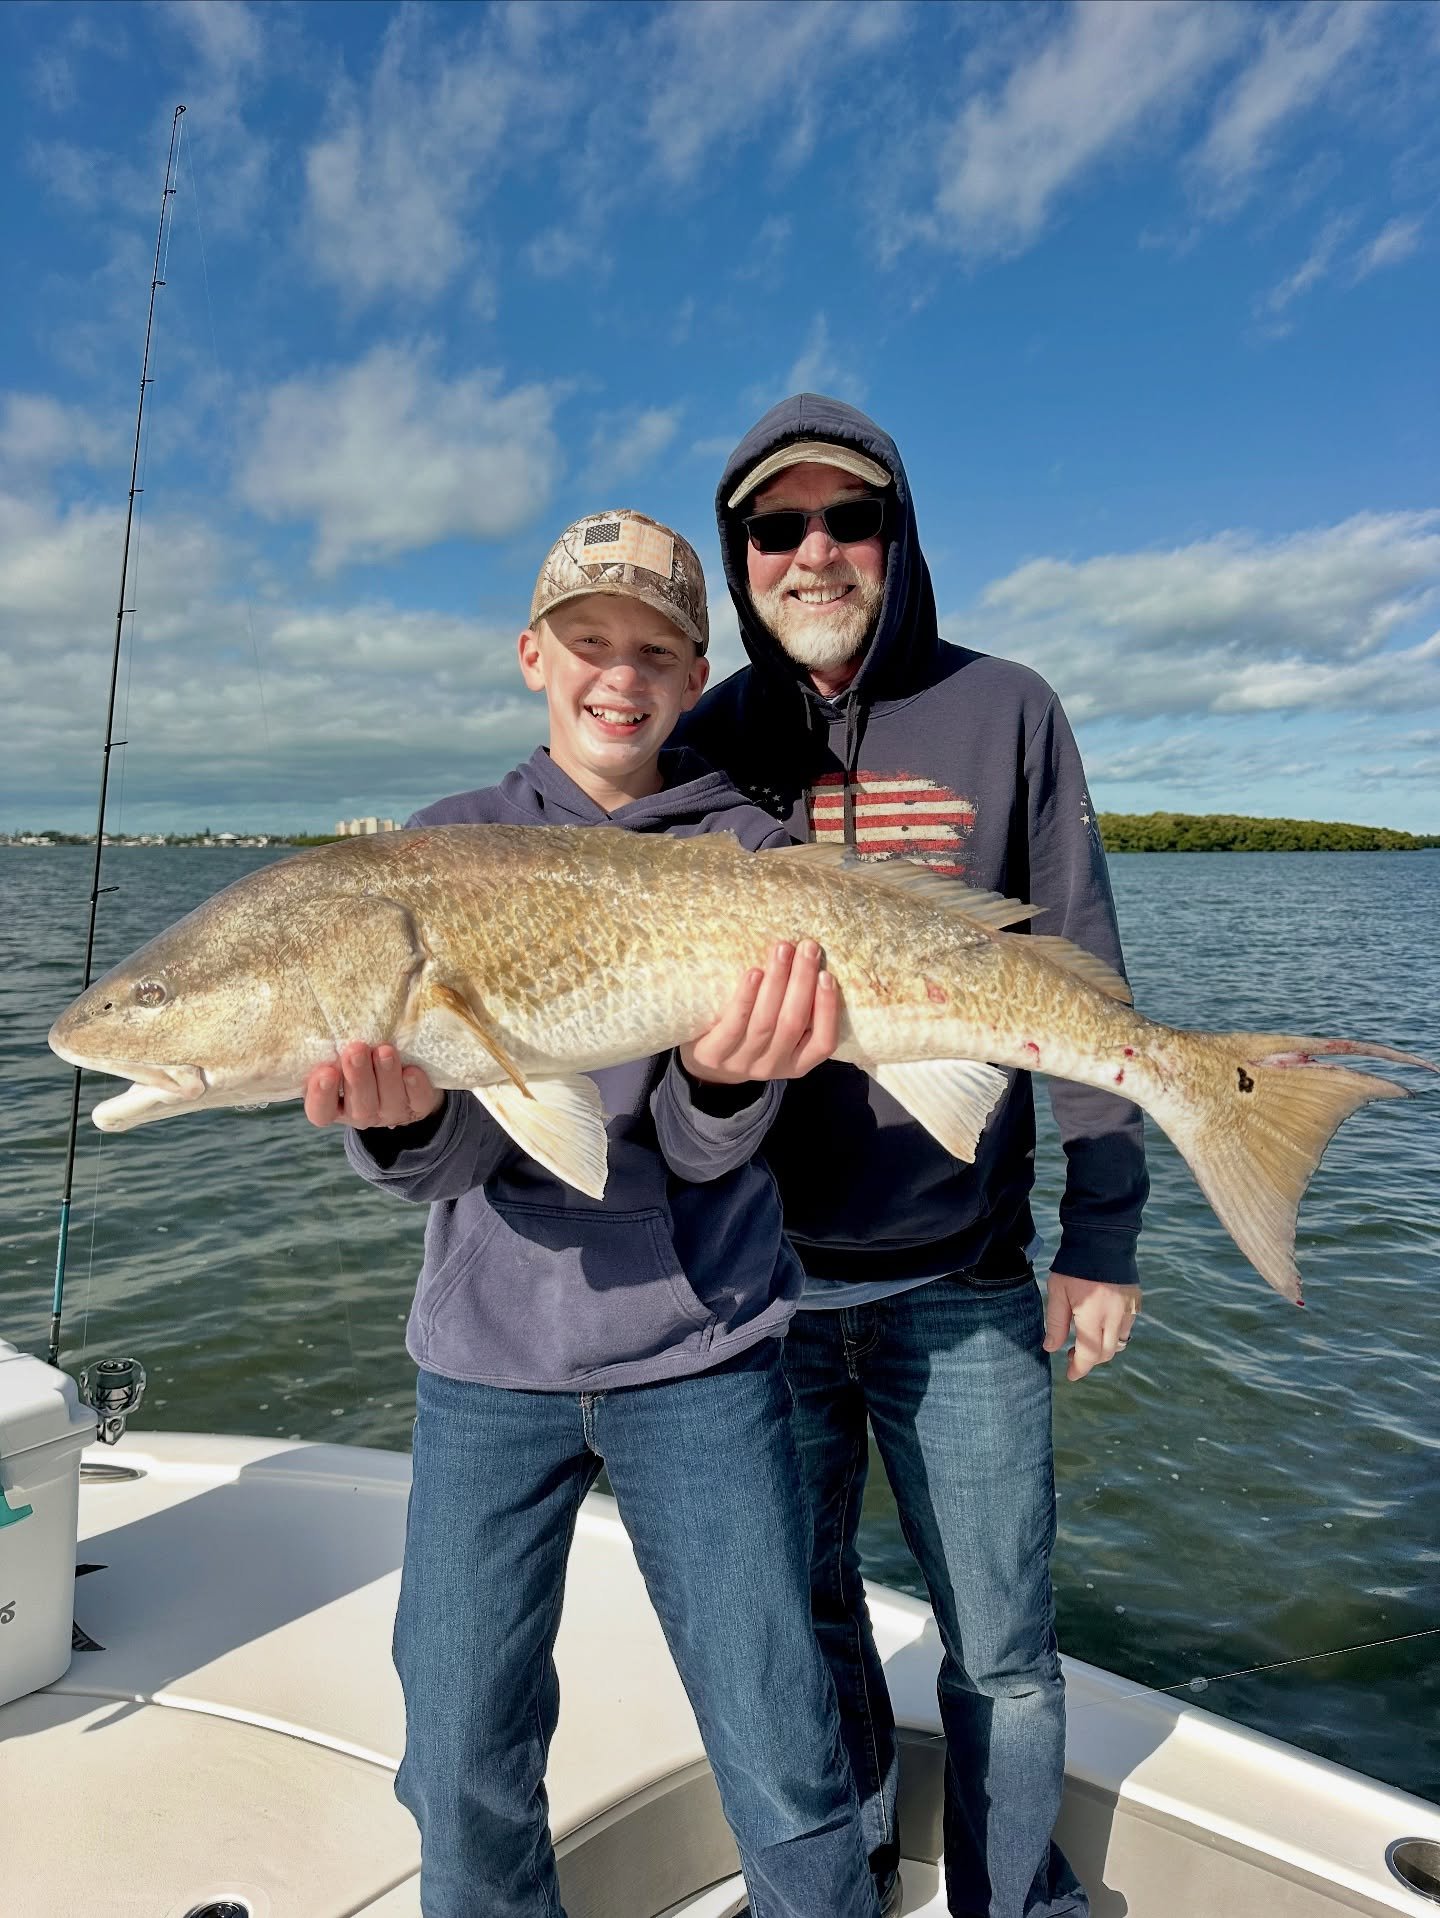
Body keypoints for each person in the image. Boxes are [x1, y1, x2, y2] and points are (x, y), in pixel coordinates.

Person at [304, 510, 880, 1918]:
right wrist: (399, 1119)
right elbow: (453, 1168)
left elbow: (699, 1150)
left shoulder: (750, 853)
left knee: (783, 1742)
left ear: (695, 679)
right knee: (457, 1753)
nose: (618, 677)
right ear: (532, 655)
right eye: (588, 643)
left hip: (705, 1351)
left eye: (655, 652)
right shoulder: (441, 851)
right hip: (487, 1364)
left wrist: (722, 1080)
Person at [678, 396, 1149, 1918]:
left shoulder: (1007, 709)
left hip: (965, 1279)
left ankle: (1017, 1901)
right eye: (776, 528)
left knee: (1002, 1649)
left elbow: (1084, 969)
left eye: (850, 518)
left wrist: (1104, 1232)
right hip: (761, 1288)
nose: (814, 553)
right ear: (742, 558)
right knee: (810, 1621)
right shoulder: (707, 739)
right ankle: (857, 1868)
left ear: (900, 534)